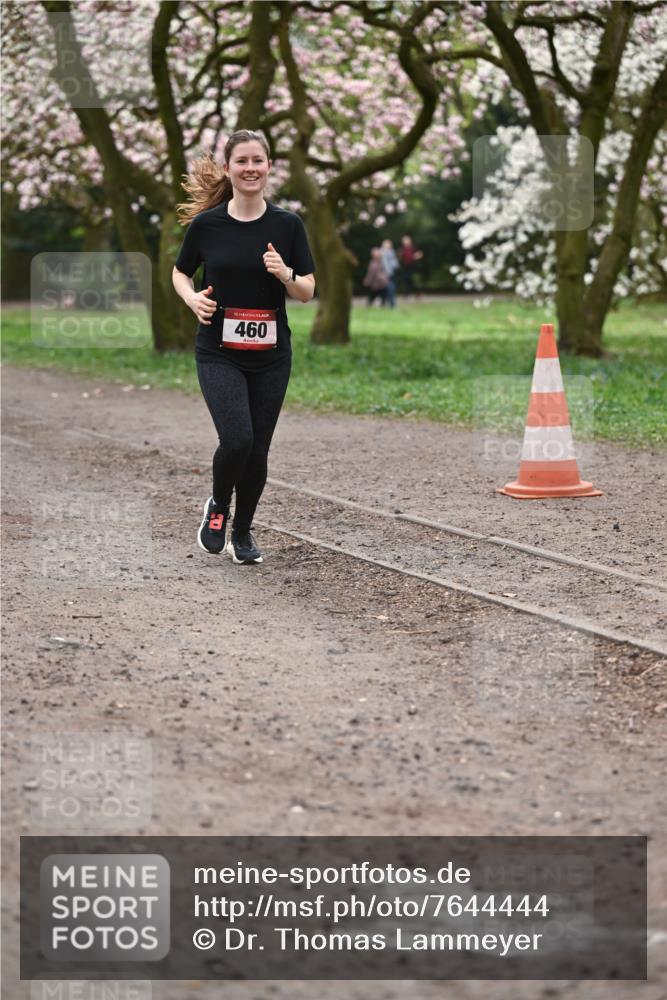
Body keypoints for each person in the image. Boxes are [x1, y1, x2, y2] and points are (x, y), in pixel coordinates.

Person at [172, 129, 315, 564]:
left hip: (272, 357)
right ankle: (218, 506)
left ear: (268, 167)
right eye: (242, 161)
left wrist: (285, 273)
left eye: (258, 160)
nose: (250, 168)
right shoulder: (208, 225)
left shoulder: (287, 225)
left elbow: (308, 290)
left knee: (257, 450)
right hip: (218, 351)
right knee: (237, 439)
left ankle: (244, 532)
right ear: (229, 168)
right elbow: (180, 272)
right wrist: (191, 298)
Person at [380, 238, 399, 308]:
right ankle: (391, 304)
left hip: (391, 273)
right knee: (389, 288)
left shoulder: (391, 252)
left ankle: (388, 304)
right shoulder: (383, 253)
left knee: (389, 288)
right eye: (387, 244)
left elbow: (395, 264)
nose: (389, 245)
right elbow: (384, 264)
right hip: (386, 274)